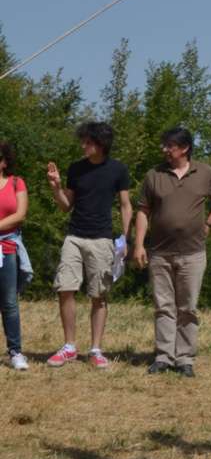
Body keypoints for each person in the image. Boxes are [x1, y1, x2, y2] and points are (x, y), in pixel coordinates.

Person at [131, 126, 211, 377]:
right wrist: (138, 244)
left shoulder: (204, 172)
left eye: (169, 146)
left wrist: (209, 223)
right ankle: (163, 356)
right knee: (163, 306)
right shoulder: (154, 175)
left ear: (184, 148)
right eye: (164, 145)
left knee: (188, 308)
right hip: (160, 253)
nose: (164, 149)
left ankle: (184, 359)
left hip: (193, 253)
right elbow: (143, 211)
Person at [45, 120, 132, 368]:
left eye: (88, 142)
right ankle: (69, 347)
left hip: (102, 239)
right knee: (65, 287)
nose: (83, 145)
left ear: (101, 144)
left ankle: (95, 350)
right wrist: (56, 188)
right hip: (74, 236)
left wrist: (125, 238)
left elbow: (125, 205)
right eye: (83, 141)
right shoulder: (76, 169)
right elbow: (66, 206)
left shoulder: (118, 170)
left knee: (99, 295)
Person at [0, 141, 29, 371]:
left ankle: (15, 352)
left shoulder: (17, 182)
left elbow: (20, 215)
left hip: (7, 248)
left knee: (9, 302)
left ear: (4, 162)